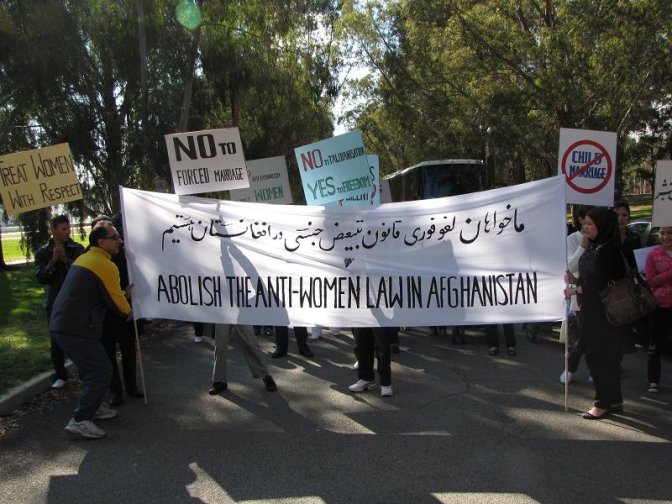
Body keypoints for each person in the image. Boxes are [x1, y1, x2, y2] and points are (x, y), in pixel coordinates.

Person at [50, 222, 132, 439]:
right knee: (101, 369)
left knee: (91, 370)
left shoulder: (87, 258)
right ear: (101, 242)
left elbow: (104, 294)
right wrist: (131, 310)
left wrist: (124, 295)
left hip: (65, 324)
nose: (119, 241)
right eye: (115, 238)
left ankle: (93, 407)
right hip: (75, 327)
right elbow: (116, 302)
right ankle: (80, 419)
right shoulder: (104, 264)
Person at [565, 207, 626, 419]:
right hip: (593, 311)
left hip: (602, 313)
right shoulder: (596, 246)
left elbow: (599, 284)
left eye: (590, 224)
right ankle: (614, 400)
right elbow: (588, 276)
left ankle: (602, 404)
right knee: (605, 358)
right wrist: (575, 281)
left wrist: (575, 290)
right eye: (585, 223)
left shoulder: (607, 249)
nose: (585, 227)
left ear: (602, 226)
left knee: (598, 359)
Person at [35, 215, 85, 389]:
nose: (67, 232)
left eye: (68, 228)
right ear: (54, 230)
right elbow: (42, 278)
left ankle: (84, 372)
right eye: (64, 229)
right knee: (56, 340)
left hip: (74, 300)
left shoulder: (77, 249)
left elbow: (82, 273)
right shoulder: (43, 252)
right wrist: (53, 262)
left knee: (79, 337)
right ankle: (60, 374)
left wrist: (66, 260)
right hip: (54, 301)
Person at [98, 213, 143, 407]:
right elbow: (104, 291)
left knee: (129, 351)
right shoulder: (94, 258)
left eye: (118, 236)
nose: (118, 240)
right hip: (106, 314)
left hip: (125, 312)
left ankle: (131, 386)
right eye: (114, 237)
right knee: (109, 355)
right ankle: (115, 391)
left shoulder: (124, 252)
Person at [561, 205, 593, 384]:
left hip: (599, 295)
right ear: (581, 220)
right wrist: (582, 247)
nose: (589, 225)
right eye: (587, 221)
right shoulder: (572, 239)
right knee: (585, 335)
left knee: (593, 335)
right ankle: (572, 368)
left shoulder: (601, 240)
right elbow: (570, 267)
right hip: (579, 294)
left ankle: (594, 368)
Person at [209, 324, 277, 394]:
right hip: (223, 318)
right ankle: (219, 381)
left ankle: (265, 374)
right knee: (220, 346)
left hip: (241, 317)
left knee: (251, 343)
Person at [644, 225, 672, 394]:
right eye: (662, 233)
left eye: (670, 233)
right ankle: (653, 380)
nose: (666, 237)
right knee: (656, 344)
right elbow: (651, 281)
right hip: (659, 305)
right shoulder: (652, 255)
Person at [348, 327, 394, 397]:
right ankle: (367, 379)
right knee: (361, 345)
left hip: (381, 321)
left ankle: (385, 384)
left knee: (382, 348)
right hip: (362, 321)